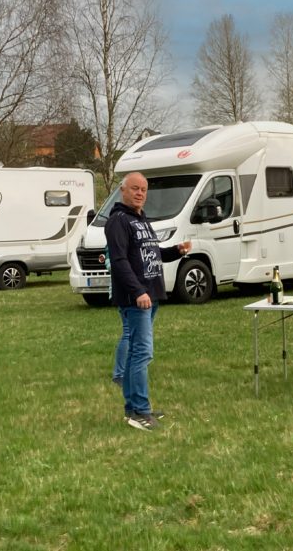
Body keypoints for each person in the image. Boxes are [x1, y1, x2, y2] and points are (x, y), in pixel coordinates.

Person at [105, 172, 192, 431]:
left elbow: (151, 254)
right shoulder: (118, 221)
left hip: (150, 295)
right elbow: (119, 262)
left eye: (143, 189)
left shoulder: (141, 219)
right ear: (123, 190)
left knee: (135, 353)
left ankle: (133, 408)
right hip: (137, 298)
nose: (140, 193)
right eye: (135, 188)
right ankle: (141, 412)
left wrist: (176, 251)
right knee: (143, 352)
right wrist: (138, 291)